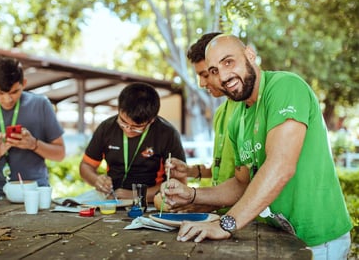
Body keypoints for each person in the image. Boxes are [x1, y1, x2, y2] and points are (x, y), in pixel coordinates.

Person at [161, 34, 352, 259]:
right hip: (280, 238)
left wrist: (225, 224)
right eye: (213, 70)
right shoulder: (238, 118)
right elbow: (242, 184)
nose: (222, 76)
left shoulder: (285, 87)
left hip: (319, 240)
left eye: (228, 62)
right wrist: (192, 195)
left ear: (250, 55)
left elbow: (281, 166)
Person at [0, 56, 66, 201]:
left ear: (24, 83)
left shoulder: (41, 105)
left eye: (14, 92)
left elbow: (60, 154)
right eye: (0, 93)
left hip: (34, 192)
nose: (8, 99)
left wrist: (34, 144)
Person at [154, 32, 239, 213]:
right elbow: (222, 169)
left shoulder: (248, 108)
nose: (201, 83)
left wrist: (197, 198)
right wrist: (190, 171)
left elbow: (248, 180)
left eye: (205, 74)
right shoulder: (221, 113)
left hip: (242, 216)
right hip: (221, 212)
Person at [79, 82, 186, 203]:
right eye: (123, 122)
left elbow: (179, 183)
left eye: (137, 127)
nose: (128, 130)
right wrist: (96, 179)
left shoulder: (167, 134)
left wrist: (136, 195)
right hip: (111, 200)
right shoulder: (106, 128)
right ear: (119, 109)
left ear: (151, 120)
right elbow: (86, 166)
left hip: (152, 203)